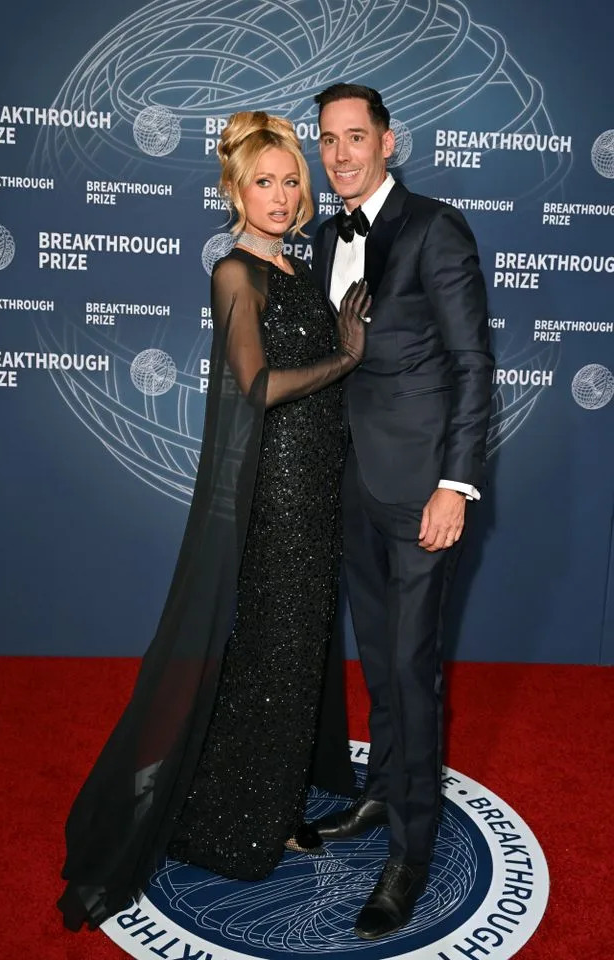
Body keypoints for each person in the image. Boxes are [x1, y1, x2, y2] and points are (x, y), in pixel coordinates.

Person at [57, 111, 371, 931]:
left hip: (318, 488)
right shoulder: (237, 273)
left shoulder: (298, 267)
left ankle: (270, 804)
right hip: (276, 494)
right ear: (234, 189)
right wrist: (344, 356)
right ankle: (228, 827)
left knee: (295, 654)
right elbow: (256, 387)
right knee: (269, 653)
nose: (280, 194)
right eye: (262, 182)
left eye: (290, 179)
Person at [305, 84, 494, 940]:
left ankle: (408, 859)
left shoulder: (434, 228)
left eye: (356, 137)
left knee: (415, 679)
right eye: (328, 141)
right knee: (379, 662)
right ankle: (383, 793)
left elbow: (472, 365)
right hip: (350, 486)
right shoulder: (318, 238)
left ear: (389, 142)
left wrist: (456, 485)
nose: (341, 155)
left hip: (423, 492)